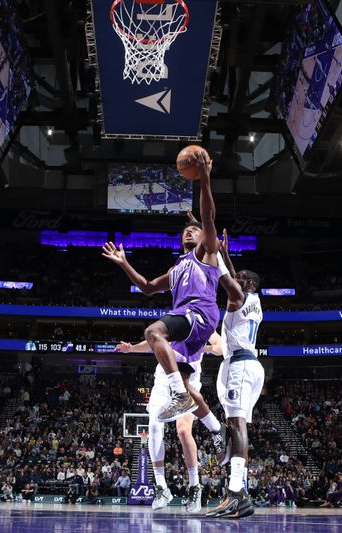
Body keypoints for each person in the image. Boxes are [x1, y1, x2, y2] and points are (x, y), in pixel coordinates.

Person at [102, 150, 223, 422]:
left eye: (195, 230)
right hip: (189, 323)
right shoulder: (176, 268)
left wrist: (204, 177)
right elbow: (146, 287)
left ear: (205, 237)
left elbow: (208, 217)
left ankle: (180, 396)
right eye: (185, 231)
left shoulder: (206, 254)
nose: (189, 232)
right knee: (174, 367)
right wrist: (123, 263)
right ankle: (217, 430)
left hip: (200, 312)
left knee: (153, 331)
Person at [116, 336, 226, 514]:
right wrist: (132, 348)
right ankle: (161, 487)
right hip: (164, 378)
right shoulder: (174, 319)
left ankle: (194, 486)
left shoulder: (205, 321)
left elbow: (220, 348)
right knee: (153, 425)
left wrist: (195, 347)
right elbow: (154, 341)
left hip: (189, 380)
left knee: (183, 431)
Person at [206, 233, 264, 519]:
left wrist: (214, 249)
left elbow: (225, 277)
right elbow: (232, 275)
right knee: (237, 427)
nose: (235, 278)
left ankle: (236, 494)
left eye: (240, 277)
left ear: (249, 283)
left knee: (236, 426)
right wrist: (226, 254)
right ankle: (239, 491)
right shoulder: (253, 300)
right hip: (250, 364)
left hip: (240, 366)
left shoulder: (239, 296)